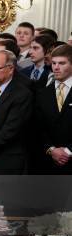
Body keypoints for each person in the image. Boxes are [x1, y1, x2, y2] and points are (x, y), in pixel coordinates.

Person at [34, 44, 72, 174]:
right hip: (46, 163)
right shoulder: (41, 93)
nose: (56, 67)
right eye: (54, 63)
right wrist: (51, 150)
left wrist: (67, 151)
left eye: (62, 63)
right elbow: (36, 128)